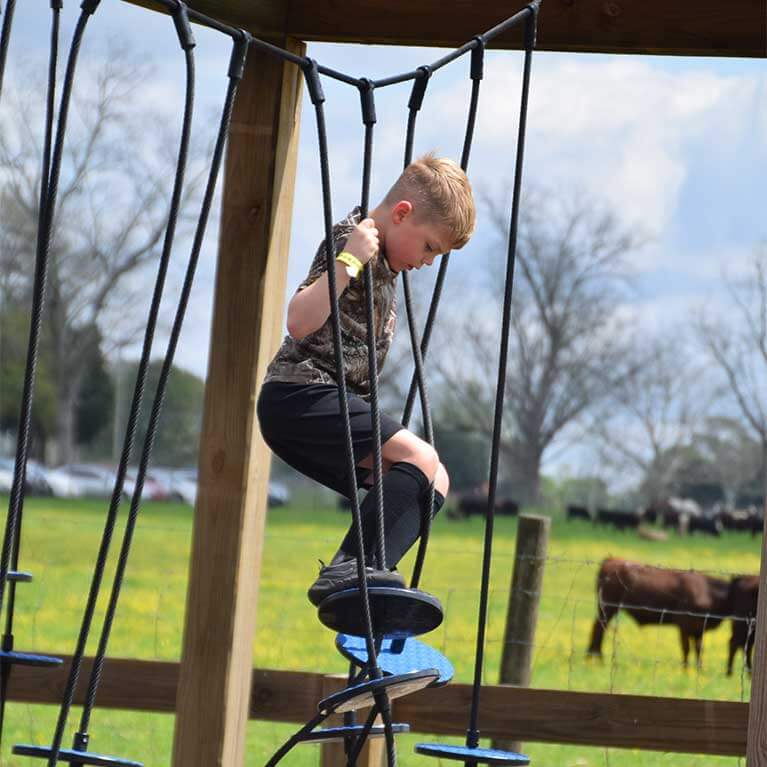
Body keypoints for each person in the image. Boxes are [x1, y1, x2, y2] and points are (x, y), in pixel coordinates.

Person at [257, 153, 476, 606]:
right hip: (298, 396)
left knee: (434, 481)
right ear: (402, 215)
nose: (429, 262)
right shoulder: (350, 240)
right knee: (421, 456)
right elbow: (299, 322)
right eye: (431, 247)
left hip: (324, 408)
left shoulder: (389, 266)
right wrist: (349, 261)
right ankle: (350, 568)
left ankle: (367, 579)